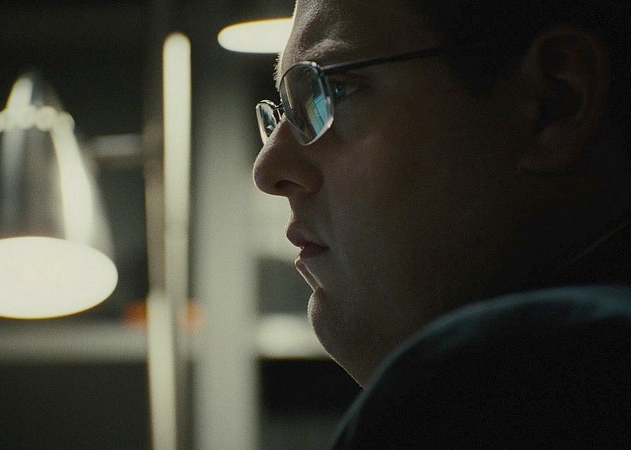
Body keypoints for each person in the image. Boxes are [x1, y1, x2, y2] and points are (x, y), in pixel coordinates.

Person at [251, 0, 631, 447]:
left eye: (330, 91)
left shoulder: (492, 386)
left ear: (552, 102)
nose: (267, 169)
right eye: (283, 111)